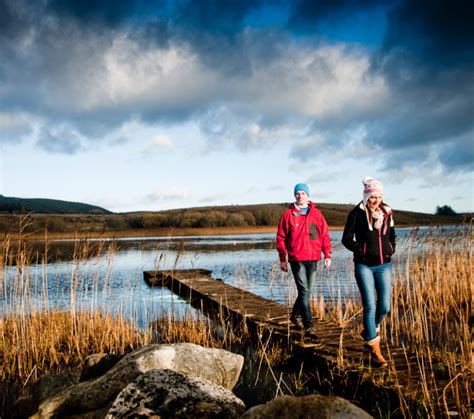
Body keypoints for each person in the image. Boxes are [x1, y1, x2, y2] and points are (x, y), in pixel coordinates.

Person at [341, 176, 396, 366]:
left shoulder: (387, 212)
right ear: (366, 196)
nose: (376, 201)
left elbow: (392, 235)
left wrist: (391, 249)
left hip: (384, 265)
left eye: (378, 197)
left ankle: (369, 329)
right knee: (370, 306)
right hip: (363, 265)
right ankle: (375, 352)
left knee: (385, 306)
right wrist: (360, 250)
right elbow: (346, 238)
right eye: (372, 197)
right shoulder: (356, 214)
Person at [276, 183, 332, 337]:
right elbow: (280, 238)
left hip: (313, 257)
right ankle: (309, 326)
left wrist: (327, 255)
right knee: (304, 290)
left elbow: (324, 235)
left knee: (306, 291)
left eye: (303, 193)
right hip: (296, 258)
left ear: (308, 195)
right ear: (295, 195)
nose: (300, 196)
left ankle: (295, 316)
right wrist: (283, 258)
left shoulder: (316, 214)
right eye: (297, 193)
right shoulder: (288, 215)